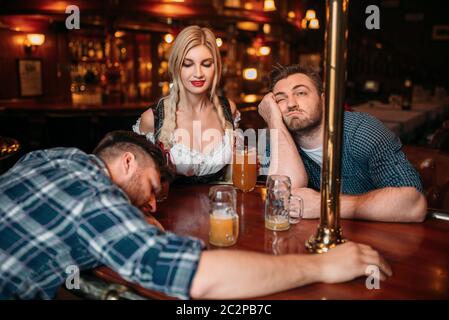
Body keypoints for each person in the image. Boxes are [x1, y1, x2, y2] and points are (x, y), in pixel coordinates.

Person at [0, 131, 392, 300]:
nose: (152, 205)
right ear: (127, 161)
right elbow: (197, 279)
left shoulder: (52, 158)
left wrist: (131, 217)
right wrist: (323, 268)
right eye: (152, 188)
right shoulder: (94, 200)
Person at [258, 64, 427, 223]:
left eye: (301, 93)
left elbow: (414, 204)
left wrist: (325, 206)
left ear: (323, 99)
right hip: (312, 244)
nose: (291, 103)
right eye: (280, 99)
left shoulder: (361, 132)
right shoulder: (277, 138)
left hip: (376, 238)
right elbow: (284, 199)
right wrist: (274, 120)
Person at [133, 25, 240, 184]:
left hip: (219, 206)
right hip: (168, 208)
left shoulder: (228, 109)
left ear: (216, 67)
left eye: (206, 64)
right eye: (187, 64)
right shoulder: (152, 119)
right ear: (176, 67)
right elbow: (138, 181)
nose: (198, 73)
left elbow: (232, 174)